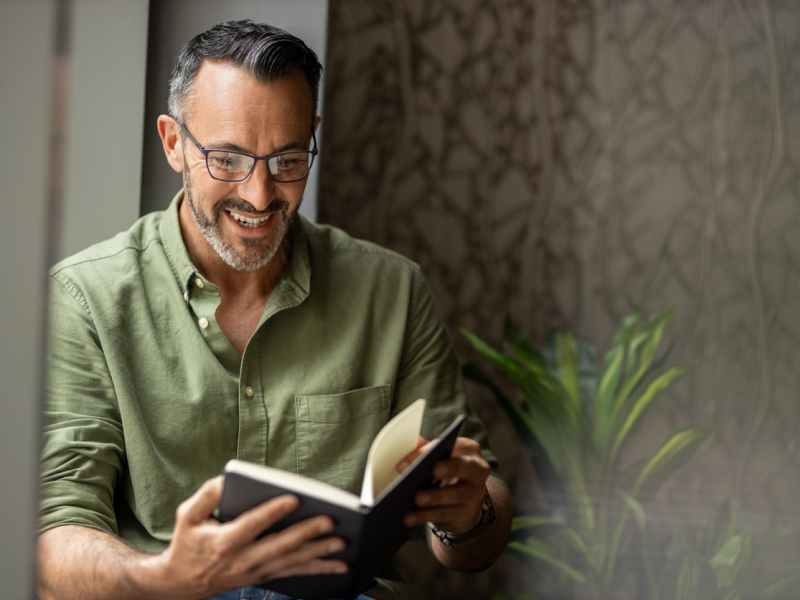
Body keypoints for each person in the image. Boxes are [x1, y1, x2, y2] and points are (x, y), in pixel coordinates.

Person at [37, 20, 510, 600]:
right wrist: (161, 578)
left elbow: (476, 540)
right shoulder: (87, 297)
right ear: (173, 143)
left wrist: (467, 514)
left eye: (287, 159)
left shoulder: (393, 290)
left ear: (312, 138)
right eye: (228, 160)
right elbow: (56, 532)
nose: (260, 196)